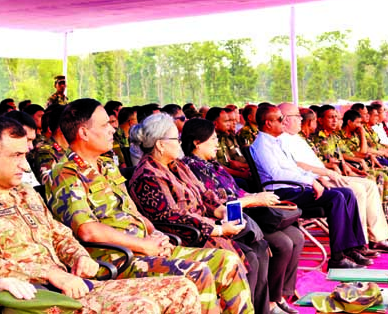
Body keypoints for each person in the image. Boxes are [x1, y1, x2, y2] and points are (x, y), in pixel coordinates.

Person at [0, 117, 201, 313]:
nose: (25, 166)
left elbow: (59, 234)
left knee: (182, 288)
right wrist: (47, 274)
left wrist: (78, 256)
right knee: (142, 307)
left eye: (25, 155)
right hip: (33, 296)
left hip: (71, 284)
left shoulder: (24, 192)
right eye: (16, 156)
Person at [44, 98, 253, 314]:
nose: (112, 130)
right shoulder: (66, 174)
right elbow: (87, 230)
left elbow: (132, 212)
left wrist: (155, 233)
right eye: (105, 125)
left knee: (227, 261)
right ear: (84, 133)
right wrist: (143, 245)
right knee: (198, 272)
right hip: (117, 259)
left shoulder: (106, 166)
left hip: (144, 249)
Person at [128, 113, 280, 314]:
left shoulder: (178, 166)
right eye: (175, 138)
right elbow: (171, 217)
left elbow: (203, 193)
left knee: (259, 247)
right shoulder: (147, 177)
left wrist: (220, 209)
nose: (180, 142)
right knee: (249, 256)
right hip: (187, 237)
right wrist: (217, 229)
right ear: (160, 145)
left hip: (207, 226)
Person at [180, 117, 303, 314]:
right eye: (212, 140)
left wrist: (256, 197)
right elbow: (217, 203)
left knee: (296, 236)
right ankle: (263, 305)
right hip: (230, 218)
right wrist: (253, 200)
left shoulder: (212, 165)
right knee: (281, 243)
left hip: (248, 210)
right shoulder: (190, 168)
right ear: (196, 142)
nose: (217, 144)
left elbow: (236, 190)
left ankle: (277, 297)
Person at [250, 105, 369, 269]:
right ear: (268, 123)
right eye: (279, 119)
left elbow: (295, 168)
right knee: (336, 197)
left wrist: (313, 178)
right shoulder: (263, 145)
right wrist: (310, 181)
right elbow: (277, 174)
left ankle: (352, 247)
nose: (283, 122)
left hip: (294, 187)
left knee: (347, 193)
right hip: (281, 192)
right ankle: (337, 258)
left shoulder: (276, 142)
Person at [278, 103, 388, 254]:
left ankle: (378, 238)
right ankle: (360, 242)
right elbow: (298, 166)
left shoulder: (296, 138)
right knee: (357, 189)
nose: (300, 119)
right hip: (314, 180)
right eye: (296, 116)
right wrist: (326, 172)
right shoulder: (282, 140)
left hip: (325, 175)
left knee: (369, 185)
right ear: (285, 120)